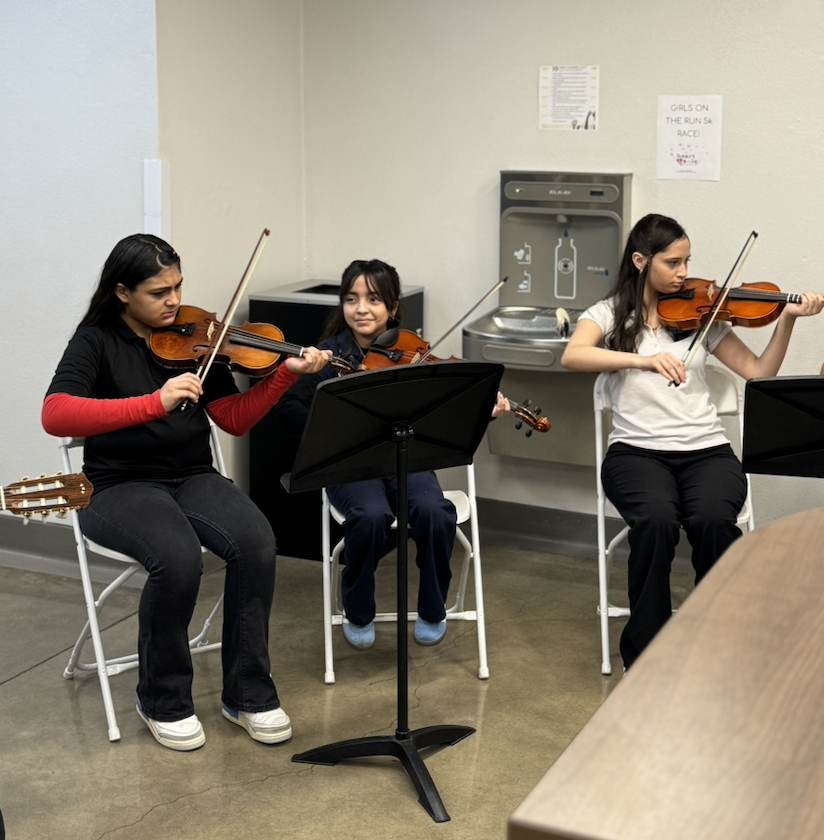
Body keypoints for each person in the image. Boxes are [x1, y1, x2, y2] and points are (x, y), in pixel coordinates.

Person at [42, 234, 330, 751]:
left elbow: (233, 420)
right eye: (159, 292)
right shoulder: (96, 340)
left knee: (258, 541)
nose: (174, 301)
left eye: (178, 286)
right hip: (114, 485)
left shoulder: (199, 337)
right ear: (123, 292)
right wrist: (152, 402)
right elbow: (55, 413)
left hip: (191, 475)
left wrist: (284, 375)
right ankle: (161, 699)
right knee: (177, 558)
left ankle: (246, 694)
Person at [561, 214, 824, 671]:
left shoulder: (704, 314)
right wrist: (642, 361)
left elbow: (760, 373)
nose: (685, 274)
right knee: (657, 522)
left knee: (714, 521)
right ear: (641, 261)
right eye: (673, 262)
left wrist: (787, 320)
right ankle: (647, 655)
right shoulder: (607, 315)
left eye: (688, 262)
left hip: (706, 451)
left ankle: (715, 640)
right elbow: (573, 354)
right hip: (636, 453)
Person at [276, 259, 509, 650]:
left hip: (406, 458)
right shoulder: (326, 356)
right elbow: (288, 410)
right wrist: (329, 418)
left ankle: (434, 607)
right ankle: (358, 608)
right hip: (351, 464)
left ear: (393, 307)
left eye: (373, 299)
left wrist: (483, 408)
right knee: (370, 515)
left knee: (435, 512)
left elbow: (447, 408)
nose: (361, 309)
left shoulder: (411, 354)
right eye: (351, 299)